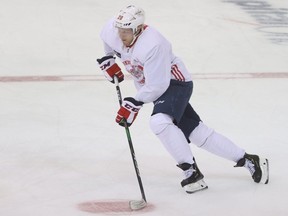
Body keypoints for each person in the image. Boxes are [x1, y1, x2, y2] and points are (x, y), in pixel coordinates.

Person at [97, 5, 269, 193]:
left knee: (159, 122)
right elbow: (109, 42)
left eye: (126, 31)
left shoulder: (154, 44)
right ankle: (249, 160)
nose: (121, 35)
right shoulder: (113, 29)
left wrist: (134, 103)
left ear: (137, 29)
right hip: (154, 87)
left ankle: (191, 172)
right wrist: (109, 59)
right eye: (119, 30)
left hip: (174, 83)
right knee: (195, 131)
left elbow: (157, 86)